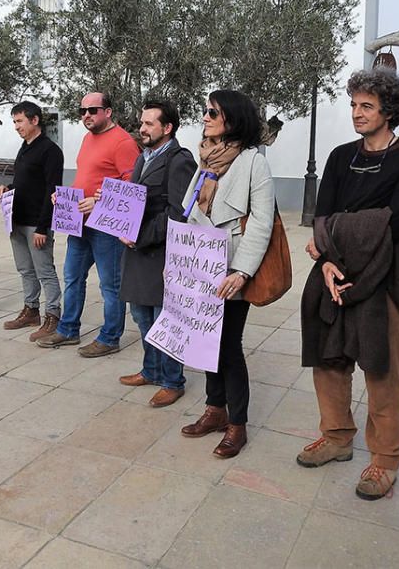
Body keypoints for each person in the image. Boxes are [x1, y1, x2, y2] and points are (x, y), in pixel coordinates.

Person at [298, 68, 399, 501]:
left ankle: (386, 458)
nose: (356, 112)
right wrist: (329, 262)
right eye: (353, 104)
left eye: (366, 106)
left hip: (385, 274)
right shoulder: (339, 156)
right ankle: (336, 437)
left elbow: (395, 223)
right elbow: (322, 214)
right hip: (332, 272)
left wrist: (333, 239)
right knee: (328, 358)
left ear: (388, 111)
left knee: (381, 365)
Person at [180, 89, 274, 458]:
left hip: (231, 271)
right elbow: (188, 212)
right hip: (200, 268)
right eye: (205, 111)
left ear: (231, 120)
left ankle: (238, 423)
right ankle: (214, 409)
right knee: (206, 341)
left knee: (228, 347)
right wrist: (181, 264)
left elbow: (262, 223)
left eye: (212, 112)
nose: (204, 117)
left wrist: (242, 272)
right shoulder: (205, 159)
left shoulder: (254, 163)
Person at [37, 92, 140, 357]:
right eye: (82, 110)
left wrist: (101, 203)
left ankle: (110, 337)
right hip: (79, 224)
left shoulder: (123, 142)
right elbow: (87, 178)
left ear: (108, 111)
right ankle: (68, 329)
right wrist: (65, 196)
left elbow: (134, 187)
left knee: (110, 285)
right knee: (72, 277)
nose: (86, 115)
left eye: (93, 110)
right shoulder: (87, 138)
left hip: (106, 226)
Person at [118, 100, 197, 407]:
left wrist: (142, 237)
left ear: (168, 128)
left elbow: (178, 212)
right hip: (136, 249)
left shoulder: (180, 160)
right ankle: (150, 370)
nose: (142, 128)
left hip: (161, 251)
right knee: (140, 314)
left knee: (164, 319)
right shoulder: (144, 157)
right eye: (142, 122)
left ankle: (172, 380)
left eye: (149, 123)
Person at [0, 101, 64, 340]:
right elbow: (24, 184)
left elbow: (51, 190)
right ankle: (31, 310)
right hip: (17, 220)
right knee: (25, 269)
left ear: (35, 120)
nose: (16, 126)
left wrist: (43, 227)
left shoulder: (50, 151)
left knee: (45, 271)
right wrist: (7, 188)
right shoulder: (24, 147)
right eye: (14, 121)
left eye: (20, 121)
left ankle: (53, 315)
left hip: (37, 224)